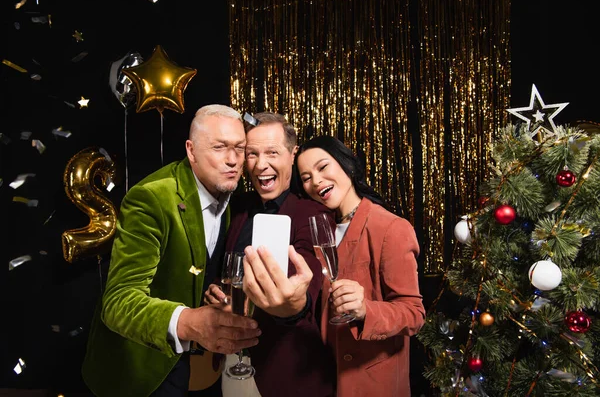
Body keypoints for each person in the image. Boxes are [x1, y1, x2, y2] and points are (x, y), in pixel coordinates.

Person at [82, 104, 262, 397]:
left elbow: (197, 266)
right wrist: (190, 322)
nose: (232, 160)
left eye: (239, 148)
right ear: (191, 151)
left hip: (202, 369)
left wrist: (213, 289)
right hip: (143, 369)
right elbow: (117, 302)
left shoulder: (233, 199)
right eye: (219, 147)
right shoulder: (151, 198)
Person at [205, 112, 335, 397]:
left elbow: (309, 292)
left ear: (292, 155)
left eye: (272, 152)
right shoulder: (237, 209)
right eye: (251, 154)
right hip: (232, 365)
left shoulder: (314, 214)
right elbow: (227, 274)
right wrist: (216, 293)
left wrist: (294, 304)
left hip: (287, 373)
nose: (261, 165)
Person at [294, 135, 426, 397]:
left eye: (322, 167)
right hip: (325, 379)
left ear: (348, 165)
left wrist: (366, 310)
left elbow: (414, 314)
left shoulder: (390, 228)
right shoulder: (320, 229)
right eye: (306, 177)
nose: (316, 181)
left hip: (372, 384)